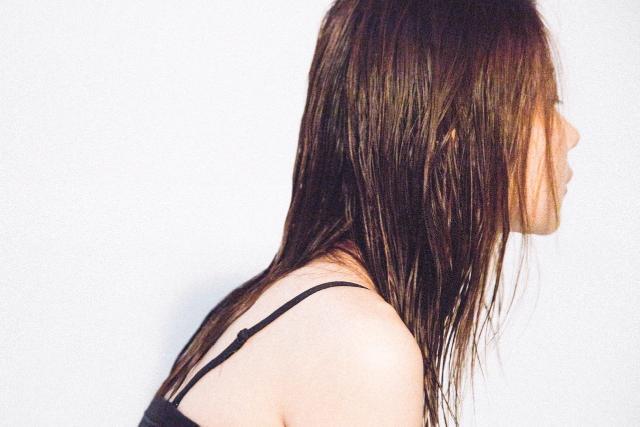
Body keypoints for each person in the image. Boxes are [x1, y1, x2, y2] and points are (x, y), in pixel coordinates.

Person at [140, 0, 580, 426]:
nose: (571, 134)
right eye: (547, 102)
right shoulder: (358, 342)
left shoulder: (303, 304)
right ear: (453, 132)